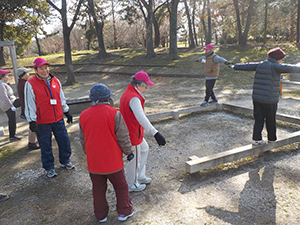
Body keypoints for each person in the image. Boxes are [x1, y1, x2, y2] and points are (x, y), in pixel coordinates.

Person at [79, 83, 134, 222]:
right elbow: (123, 137)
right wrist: (129, 152)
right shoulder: (115, 113)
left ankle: (101, 215)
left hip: (94, 163)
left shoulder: (84, 115)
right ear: (108, 97)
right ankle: (124, 211)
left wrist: (88, 153)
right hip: (113, 162)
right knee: (121, 186)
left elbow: (83, 139)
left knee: (98, 190)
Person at [233, 47, 300, 145]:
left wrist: (235, 66)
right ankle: (272, 139)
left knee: (258, 119)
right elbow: (292, 68)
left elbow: (246, 66)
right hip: (270, 99)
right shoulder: (276, 66)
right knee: (270, 119)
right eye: (281, 58)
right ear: (277, 58)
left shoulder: (260, 64)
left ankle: (257, 139)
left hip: (257, 99)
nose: (282, 60)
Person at [24, 57, 74, 178]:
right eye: (41, 68)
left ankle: (65, 161)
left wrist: (66, 111)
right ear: (36, 70)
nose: (45, 70)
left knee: (64, 141)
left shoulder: (55, 80)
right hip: (42, 121)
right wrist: (32, 120)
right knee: (45, 145)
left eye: (46, 68)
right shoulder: (30, 84)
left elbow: (60, 97)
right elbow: (29, 103)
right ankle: (49, 167)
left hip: (58, 118)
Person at [119, 71, 166, 192]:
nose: (147, 88)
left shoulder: (130, 92)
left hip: (132, 131)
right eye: (146, 85)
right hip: (132, 133)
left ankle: (139, 175)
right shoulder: (134, 97)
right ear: (139, 85)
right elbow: (141, 117)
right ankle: (132, 184)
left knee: (144, 149)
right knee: (134, 159)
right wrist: (155, 133)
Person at [17, 67, 40, 150]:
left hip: (26, 108)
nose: (28, 74)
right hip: (27, 108)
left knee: (32, 126)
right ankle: (32, 142)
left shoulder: (22, 83)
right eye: (26, 73)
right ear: (22, 75)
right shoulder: (24, 84)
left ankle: (32, 141)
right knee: (33, 126)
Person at [0, 69, 22, 141]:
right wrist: (11, 105)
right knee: (22, 101)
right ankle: (24, 114)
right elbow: (5, 97)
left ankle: (12, 136)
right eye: (6, 75)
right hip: (9, 104)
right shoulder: (2, 84)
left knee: (12, 119)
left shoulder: (3, 83)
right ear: (2, 76)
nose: (8, 77)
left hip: (8, 104)